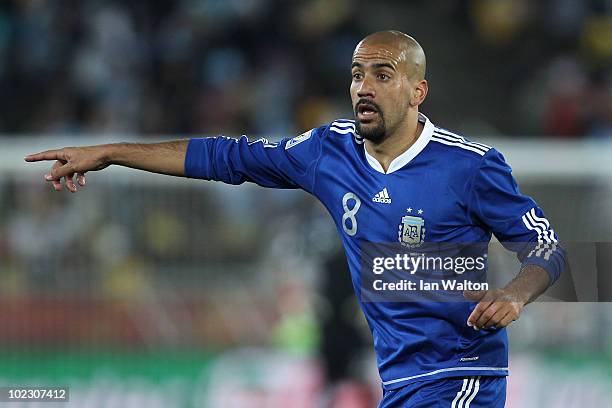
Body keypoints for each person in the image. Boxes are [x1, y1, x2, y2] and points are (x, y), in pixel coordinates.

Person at [26, 30, 565, 407]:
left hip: (463, 376)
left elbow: (547, 248)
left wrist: (515, 293)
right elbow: (226, 157)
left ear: (418, 91)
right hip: (399, 382)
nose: (364, 87)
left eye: (383, 74)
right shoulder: (329, 152)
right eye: (357, 75)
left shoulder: (470, 166)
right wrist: (114, 152)